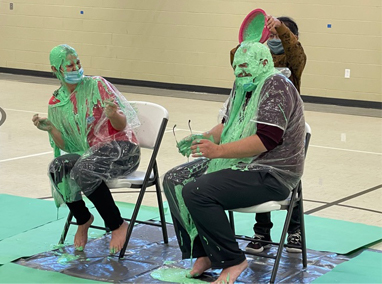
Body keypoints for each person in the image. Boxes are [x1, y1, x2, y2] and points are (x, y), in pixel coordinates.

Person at [163, 41, 305, 283]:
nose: (240, 72)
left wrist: (218, 151)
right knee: (174, 179)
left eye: (245, 67)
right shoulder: (243, 86)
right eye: (237, 67)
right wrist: (204, 138)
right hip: (242, 164)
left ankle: (233, 259)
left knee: (197, 191)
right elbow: (228, 124)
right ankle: (205, 252)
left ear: (263, 63)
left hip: (272, 172)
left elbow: (266, 140)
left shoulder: (276, 85)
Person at [32, 44, 141, 254]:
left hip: (122, 150)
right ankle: (83, 219)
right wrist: (52, 129)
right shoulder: (57, 102)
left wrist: (112, 115)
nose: (76, 68)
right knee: (59, 167)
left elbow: (122, 125)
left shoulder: (97, 85)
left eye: (78, 63)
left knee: (83, 169)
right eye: (70, 66)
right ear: (56, 70)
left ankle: (118, 224)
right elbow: (70, 147)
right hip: (91, 155)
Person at [230, 15, 307, 254]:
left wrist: (281, 29)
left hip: (288, 129)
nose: (273, 40)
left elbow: (294, 50)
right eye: (270, 36)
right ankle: (261, 232)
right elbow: (236, 55)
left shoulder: (295, 62)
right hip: (260, 125)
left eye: (277, 36)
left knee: (289, 177)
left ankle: (294, 231)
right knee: (257, 170)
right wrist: (255, 37)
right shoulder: (259, 58)